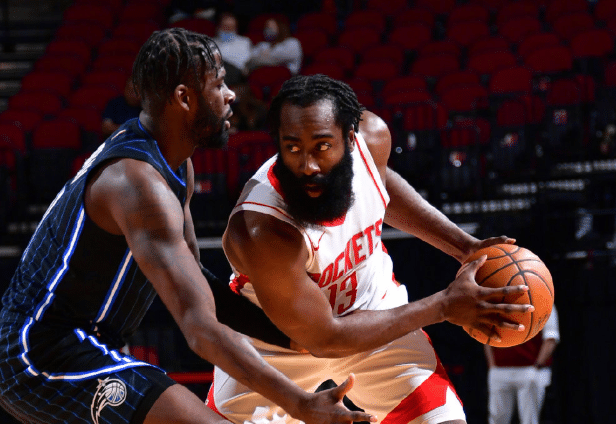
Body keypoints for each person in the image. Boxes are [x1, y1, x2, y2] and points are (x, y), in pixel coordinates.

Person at [0, 30, 374, 424]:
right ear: (184, 98)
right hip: (35, 351)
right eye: (220, 84)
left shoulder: (175, 164)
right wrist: (301, 403)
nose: (231, 95)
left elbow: (199, 286)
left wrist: (295, 339)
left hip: (82, 343)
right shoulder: (139, 184)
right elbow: (201, 329)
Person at [206, 74, 535, 424]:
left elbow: (379, 181)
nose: (308, 165)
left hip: (376, 318)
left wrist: (463, 246)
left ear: (350, 139)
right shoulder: (263, 229)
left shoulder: (372, 139)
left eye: (322, 146)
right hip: (278, 349)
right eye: (293, 148)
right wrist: (444, 306)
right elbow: (325, 337)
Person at [484, 307, 560, 424]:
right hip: (499, 369)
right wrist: (492, 366)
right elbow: (486, 336)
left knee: (529, 419)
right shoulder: (496, 300)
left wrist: (537, 366)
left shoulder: (544, 300)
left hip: (529, 369)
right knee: (496, 419)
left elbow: (551, 337)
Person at [213, 12, 252, 84]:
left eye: (231, 27)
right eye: (225, 26)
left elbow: (244, 61)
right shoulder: (212, 43)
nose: (228, 30)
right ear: (219, 27)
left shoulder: (244, 41)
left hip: (237, 73)